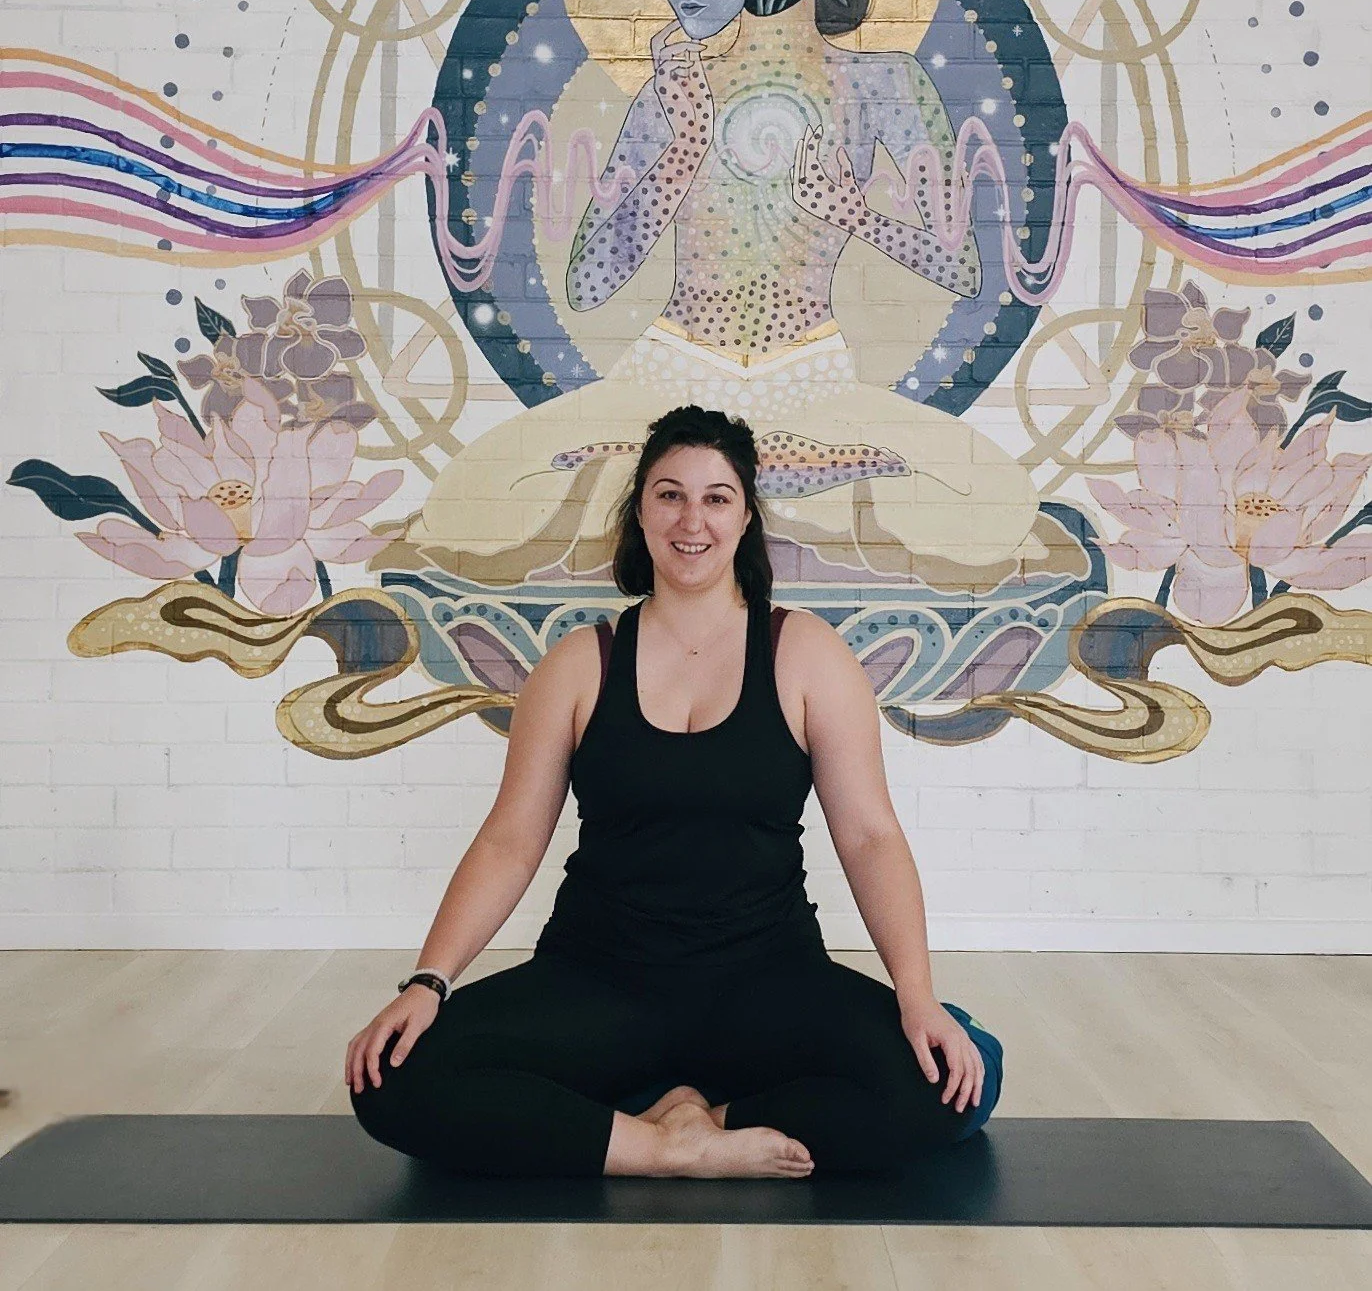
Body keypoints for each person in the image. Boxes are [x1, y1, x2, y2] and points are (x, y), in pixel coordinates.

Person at [391, 0, 1043, 591]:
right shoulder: (671, 89)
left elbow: (964, 270)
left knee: (995, 501)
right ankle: (755, 492)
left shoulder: (883, 84)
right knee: (470, 498)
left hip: (815, 382)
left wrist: (855, 213)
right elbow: (588, 284)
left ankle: (773, 483)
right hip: (666, 376)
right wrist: (684, 147)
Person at [348, 405, 1004, 1178]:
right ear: (640, 512)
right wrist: (429, 982)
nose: (692, 518)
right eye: (669, 494)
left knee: (962, 1075)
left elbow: (870, 836)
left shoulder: (805, 655)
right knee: (391, 1077)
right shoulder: (579, 663)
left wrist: (917, 996)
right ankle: (660, 1145)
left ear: (746, 516)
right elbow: (509, 839)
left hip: (766, 979)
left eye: (716, 497)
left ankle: (705, 1117)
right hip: (598, 980)